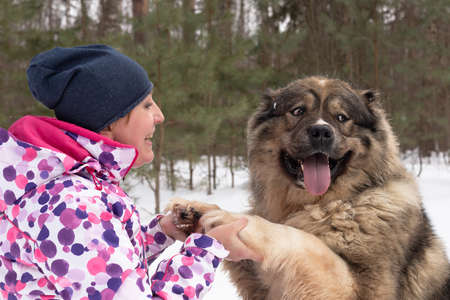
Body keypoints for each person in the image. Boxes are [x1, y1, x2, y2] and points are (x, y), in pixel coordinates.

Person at [0, 45, 256, 300]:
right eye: (146, 105)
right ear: (110, 120)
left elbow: (96, 268)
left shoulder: (69, 186)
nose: (160, 115)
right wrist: (207, 251)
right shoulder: (71, 207)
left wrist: (161, 232)